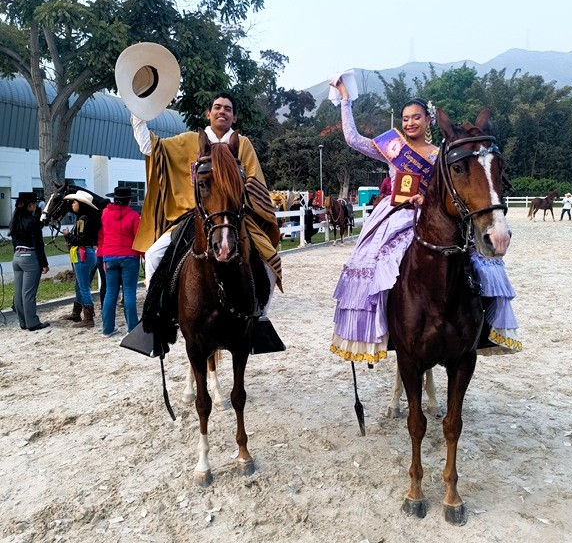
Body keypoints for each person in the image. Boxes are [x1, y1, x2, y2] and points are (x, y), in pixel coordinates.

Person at [328, 79, 521, 364]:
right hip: (396, 214)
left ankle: (482, 324)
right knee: (372, 262)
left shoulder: (440, 153)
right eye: (405, 118)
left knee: (480, 261)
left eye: (416, 117)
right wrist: (345, 98)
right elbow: (353, 139)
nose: (410, 123)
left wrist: (425, 197)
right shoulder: (392, 148)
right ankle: (381, 325)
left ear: (428, 120)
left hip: (432, 212)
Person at [130, 91, 282, 311]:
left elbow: (254, 180)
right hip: (193, 216)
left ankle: (261, 315)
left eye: (228, 109)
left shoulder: (243, 144)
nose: (222, 112)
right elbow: (151, 148)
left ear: (234, 117)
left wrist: (236, 195)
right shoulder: (187, 141)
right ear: (208, 113)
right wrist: (138, 113)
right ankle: (156, 312)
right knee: (153, 255)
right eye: (217, 107)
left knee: (271, 260)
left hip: (235, 217)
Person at [99, 186, 142, 337]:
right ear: (129, 200)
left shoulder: (105, 213)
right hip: (129, 256)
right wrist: (144, 255)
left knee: (110, 292)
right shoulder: (134, 216)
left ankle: (107, 329)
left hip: (109, 256)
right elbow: (138, 238)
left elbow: (103, 234)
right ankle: (132, 328)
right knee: (129, 292)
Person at [8, 191, 50, 331]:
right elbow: (38, 244)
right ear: (31, 205)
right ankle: (32, 322)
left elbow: (14, 241)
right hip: (30, 258)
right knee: (29, 293)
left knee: (19, 293)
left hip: (17, 257)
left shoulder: (14, 221)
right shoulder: (32, 222)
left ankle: (23, 322)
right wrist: (44, 264)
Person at [61, 190, 102, 328]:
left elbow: (80, 239)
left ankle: (88, 318)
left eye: (74, 202)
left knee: (83, 287)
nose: (72, 204)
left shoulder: (82, 219)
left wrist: (67, 235)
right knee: (79, 285)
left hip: (82, 254)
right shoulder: (89, 218)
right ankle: (77, 313)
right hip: (88, 253)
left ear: (81, 204)